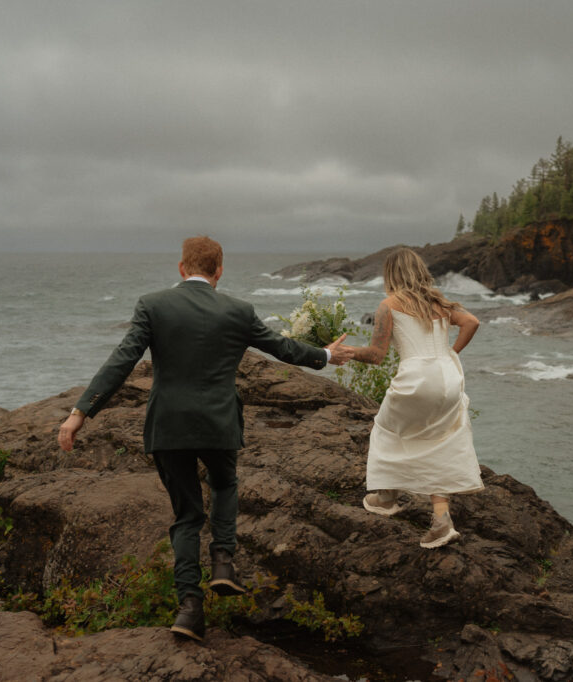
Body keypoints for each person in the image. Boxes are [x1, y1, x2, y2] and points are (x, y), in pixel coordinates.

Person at [56, 236, 352, 641]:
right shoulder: (238, 310)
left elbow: (121, 361)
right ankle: (224, 561)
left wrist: (80, 414)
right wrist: (326, 356)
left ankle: (190, 609)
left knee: (188, 516)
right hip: (218, 424)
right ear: (219, 271)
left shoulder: (152, 305)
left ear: (182, 268)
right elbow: (281, 348)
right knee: (225, 482)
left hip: (169, 427)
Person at [342, 248, 483, 548]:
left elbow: (377, 355)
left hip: (416, 378)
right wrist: (451, 353)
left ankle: (386, 496)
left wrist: (348, 352)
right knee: (441, 440)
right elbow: (472, 322)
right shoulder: (439, 301)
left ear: (391, 275)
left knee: (386, 429)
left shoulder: (388, 305)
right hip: (448, 377)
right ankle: (441, 520)